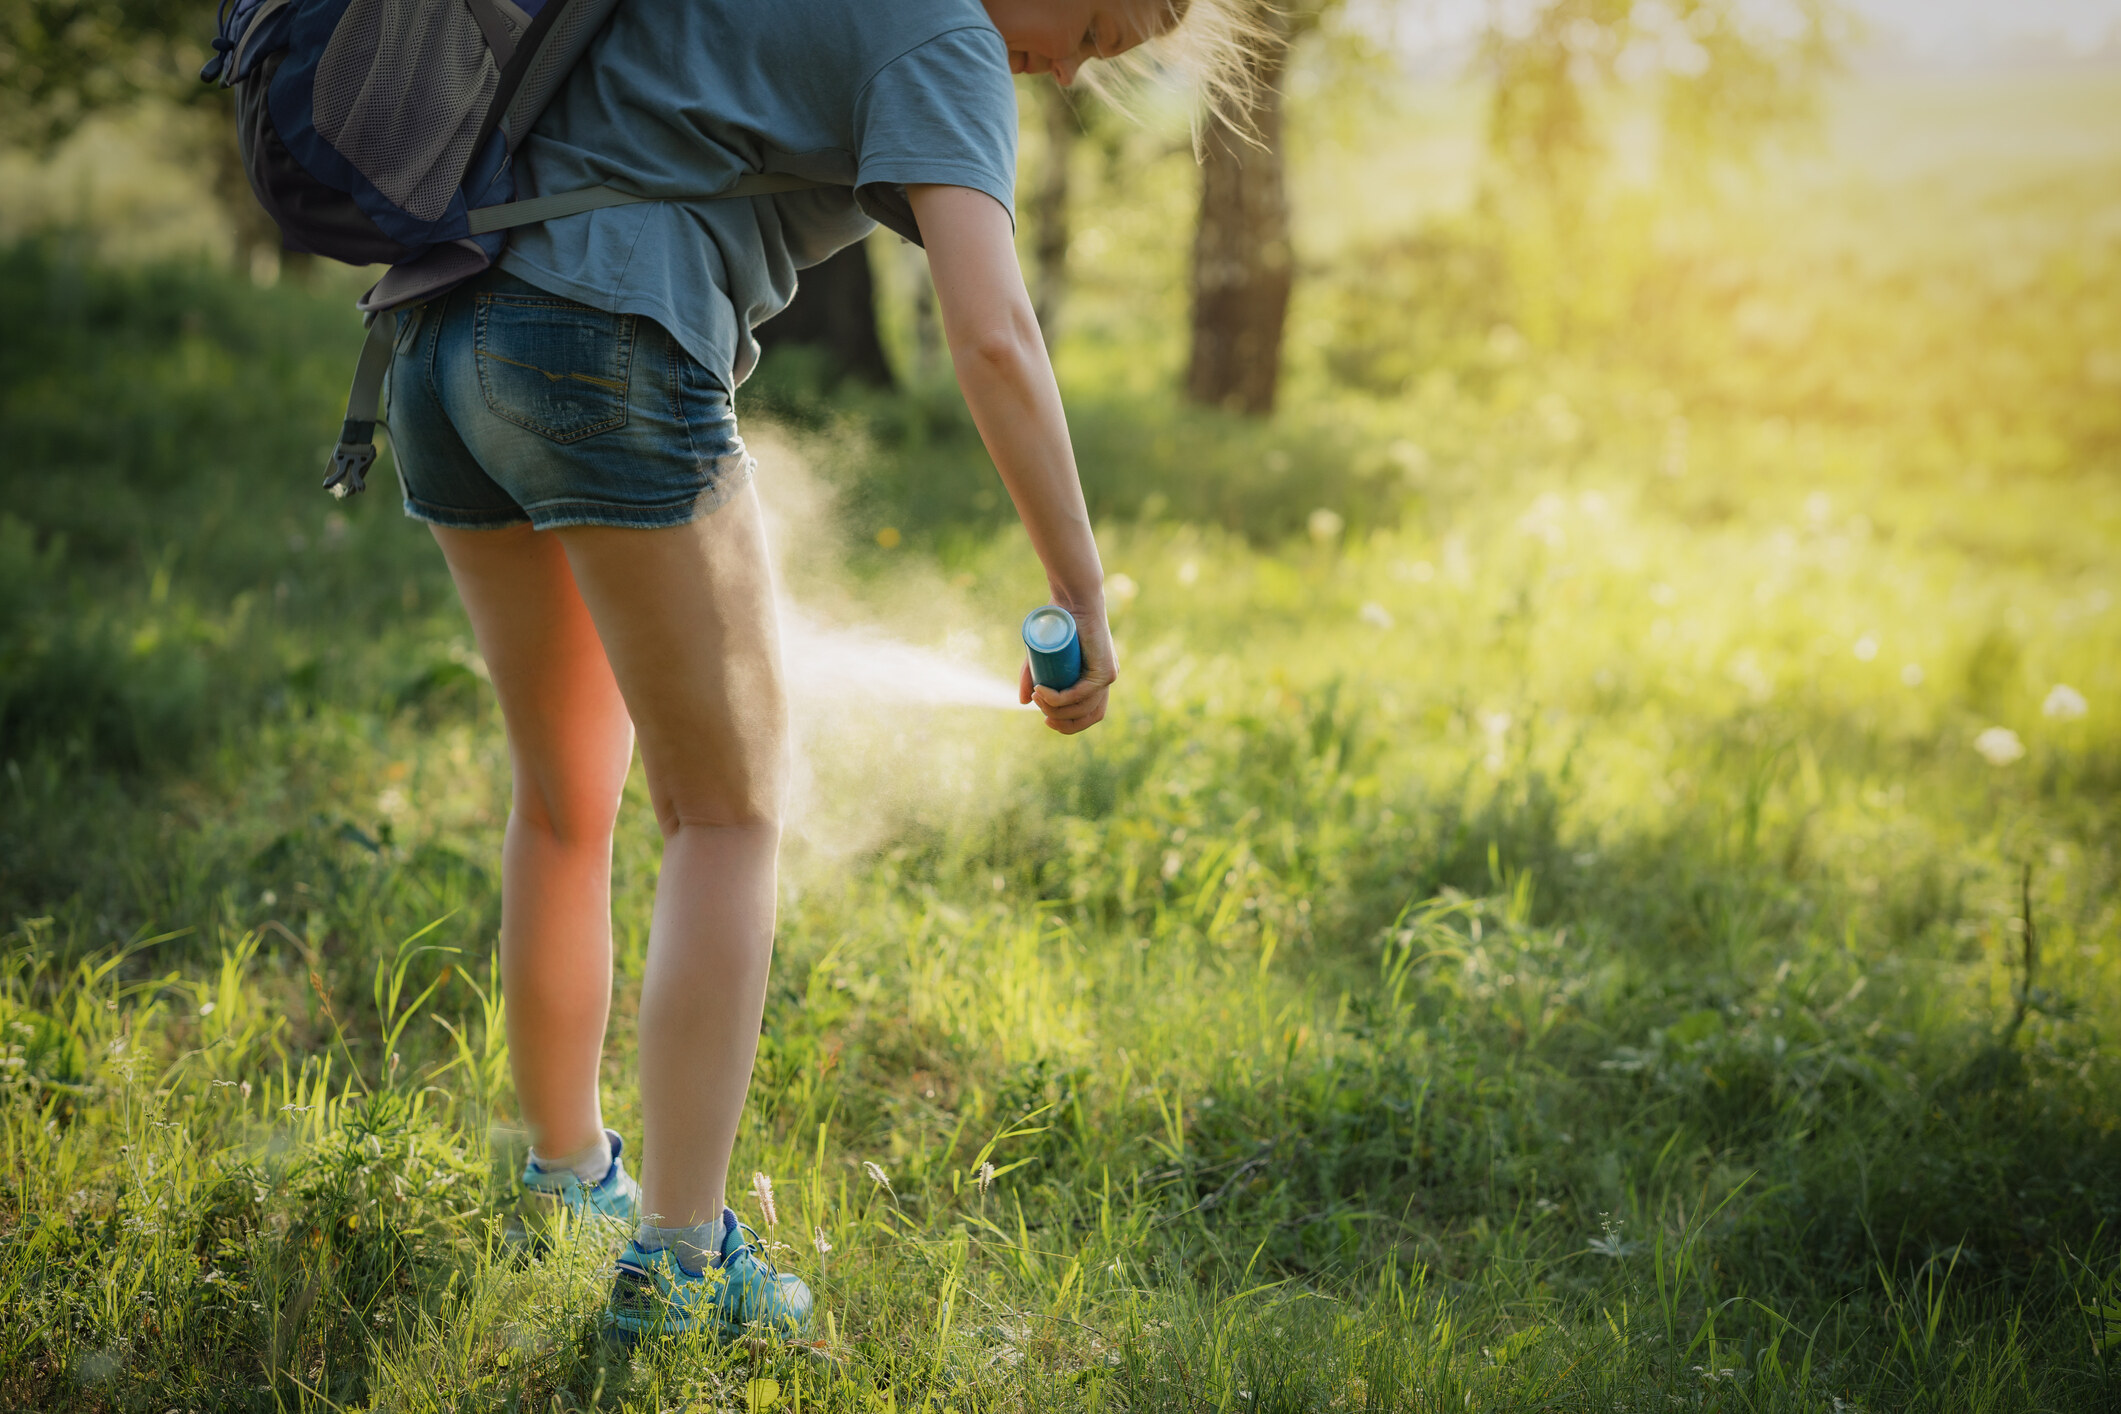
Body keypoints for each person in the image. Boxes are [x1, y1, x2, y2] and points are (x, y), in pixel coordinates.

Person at [384, 0, 1247, 1343]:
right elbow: (994, 334)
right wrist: (1079, 585)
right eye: (1090, 21)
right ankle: (678, 1266)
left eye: (1104, 55)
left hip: (440, 338)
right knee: (724, 816)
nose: (1072, 66)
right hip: (603, 341)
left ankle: (563, 1180)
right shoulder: (945, 33)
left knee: (563, 798)